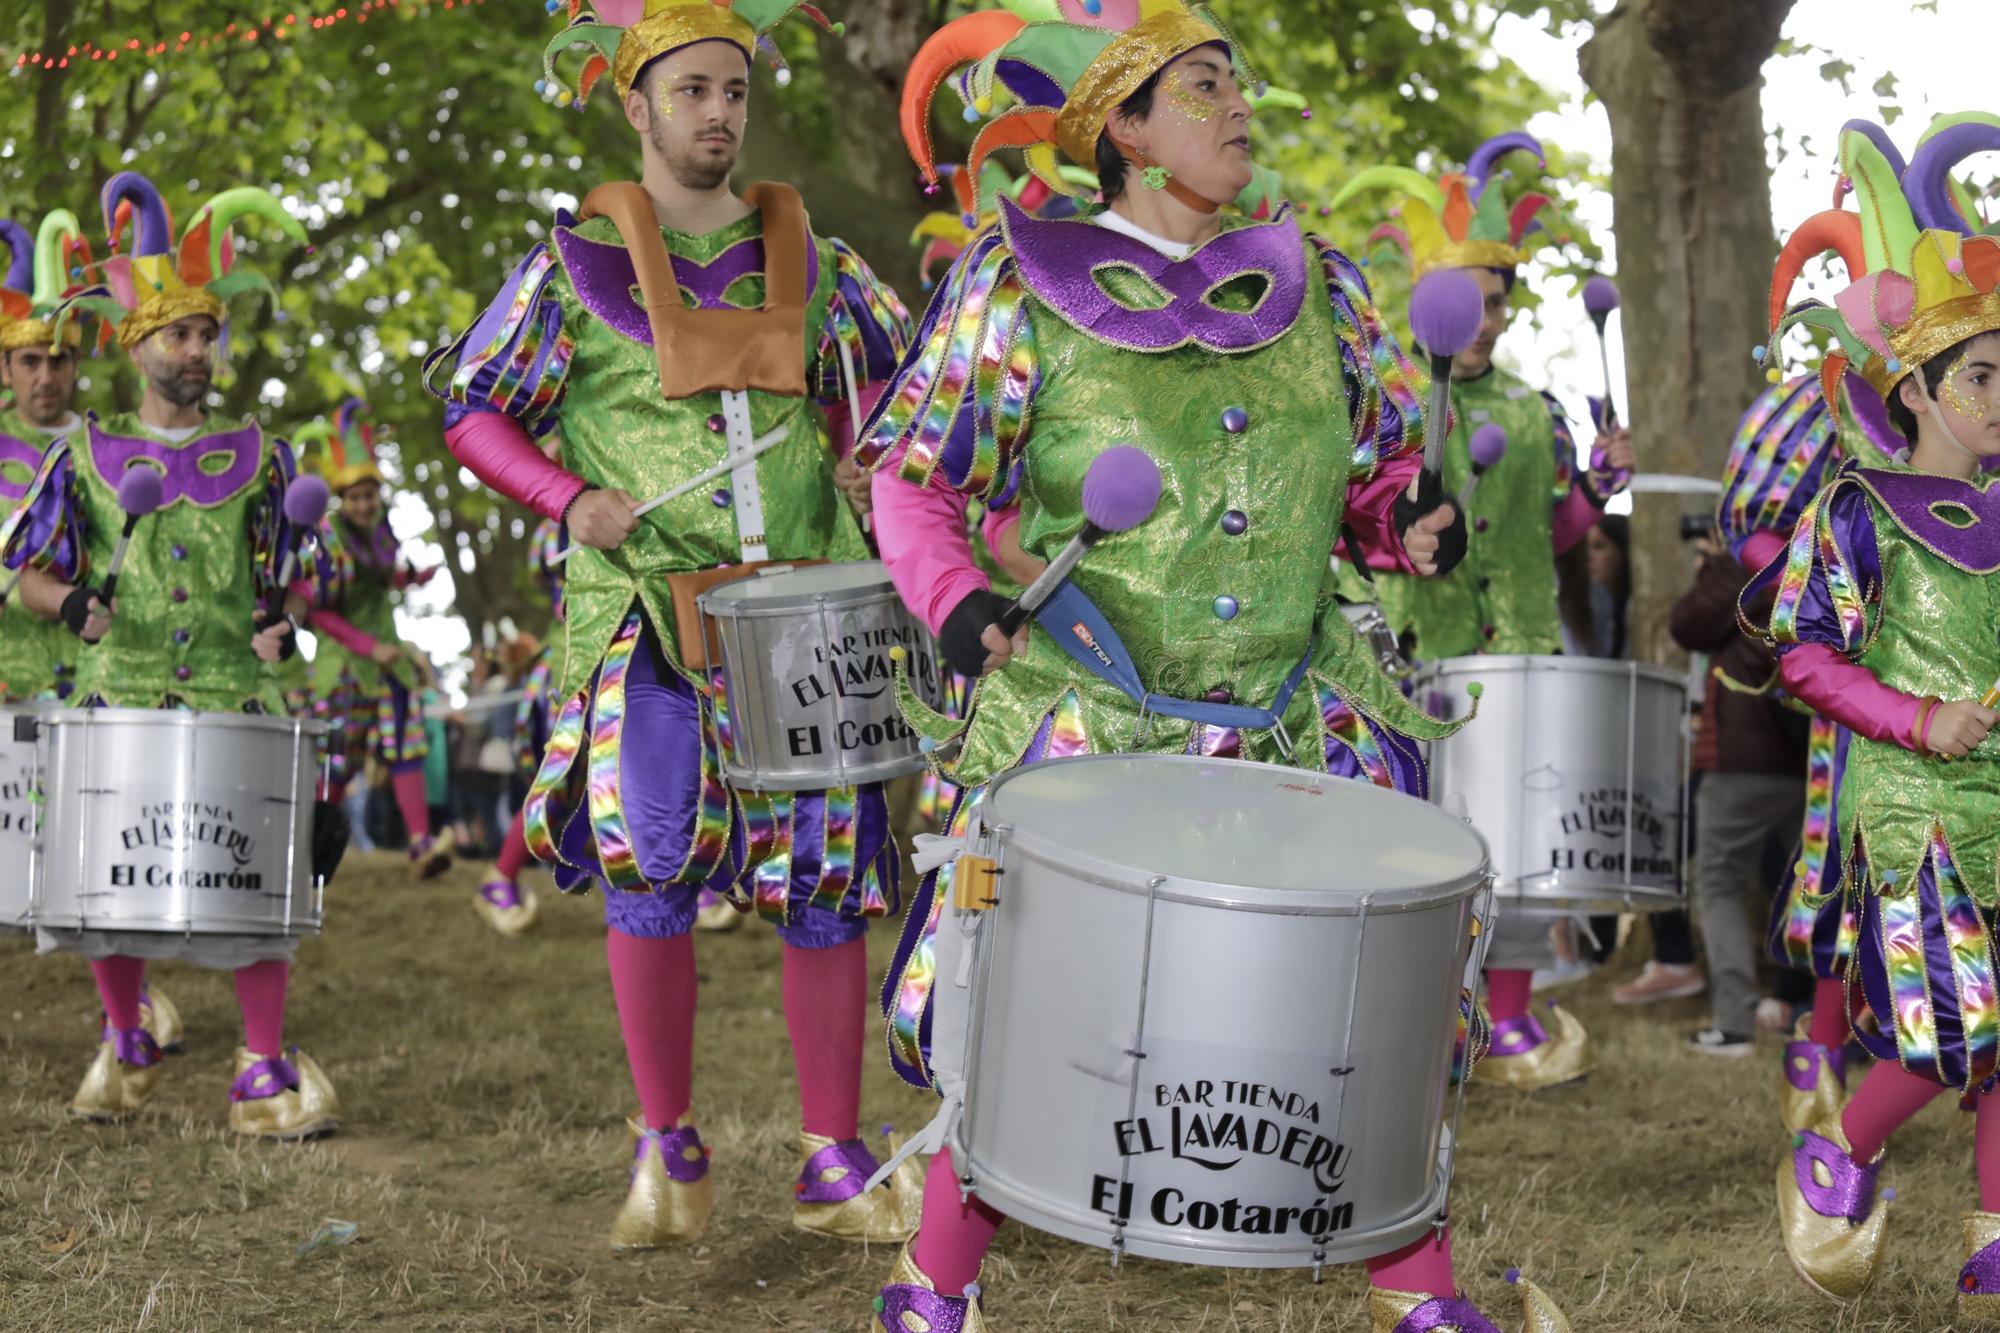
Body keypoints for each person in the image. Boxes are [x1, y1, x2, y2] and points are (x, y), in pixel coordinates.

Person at [859, 7, 1569, 1331]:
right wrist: (955, 600)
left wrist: (1406, 516)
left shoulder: (1322, 283)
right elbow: (915, 477)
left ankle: (1418, 1291)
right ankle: (936, 1285)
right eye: (1203, 89)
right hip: (1092, 720)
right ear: (1124, 129)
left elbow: (1372, 481)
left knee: (1345, 1016)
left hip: (1291, 714)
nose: (1239, 110)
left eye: (1240, 87)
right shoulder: (1020, 285)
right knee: (1046, 1019)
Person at [423, 0, 921, 1250]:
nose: (716, 114)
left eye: (732, 92)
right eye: (690, 91)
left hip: (805, 614)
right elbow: (476, 410)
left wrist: (866, 465)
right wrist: (568, 495)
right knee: (649, 859)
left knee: (825, 879)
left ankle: (831, 1153)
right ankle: (668, 1145)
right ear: (636, 107)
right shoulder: (567, 271)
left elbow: (896, 399)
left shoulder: (822, 264)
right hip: (648, 615)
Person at [2, 171, 338, 1138]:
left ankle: (261, 1069)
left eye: (206, 335)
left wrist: (289, 624)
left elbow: (298, 580)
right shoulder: (86, 458)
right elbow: (28, 570)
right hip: (124, 690)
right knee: (109, 876)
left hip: (239, 686)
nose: (199, 351)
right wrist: (72, 606)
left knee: (258, 884)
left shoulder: (263, 457)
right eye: (179, 336)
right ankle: (125, 1040)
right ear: (137, 344)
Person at [1750, 113, 2000, 1305]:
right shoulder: (1855, 507)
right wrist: (1914, 718)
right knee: (1955, 1032)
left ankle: (1992, 1242)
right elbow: (1799, 654)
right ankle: (1834, 1151)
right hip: (1911, 811)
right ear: (1914, 383)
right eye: (1981, 376)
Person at [1332, 137, 1636, 1094]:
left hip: (1522, 655)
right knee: (1412, 850)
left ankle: (1503, 1020)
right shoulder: (1384, 398)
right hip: (1412, 661)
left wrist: (1596, 485)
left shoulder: (1535, 408)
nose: (1482, 320)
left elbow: (1553, 532)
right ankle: (1405, 1026)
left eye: (1497, 301)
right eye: (1464, 300)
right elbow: (1356, 519)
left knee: (1508, 844)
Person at [0, 207, 188, 1049]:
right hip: (9, 674)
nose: (47, 373)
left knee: (99, 838)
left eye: (61, 357)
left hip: (97, 670)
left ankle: (130, 1006)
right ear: (6, 368)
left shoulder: (107, 448)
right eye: (29, 359)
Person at [292, 399, 452, 877]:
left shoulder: (383, 533)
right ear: (343, 498)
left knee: (405, 743)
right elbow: (318, 610)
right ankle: (310, 848)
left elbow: (382, 580)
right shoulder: (329, 539)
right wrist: (368, 647)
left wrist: (414, 578)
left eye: (370, 496)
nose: (364, 505)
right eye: (356, 498)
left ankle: (422, 843)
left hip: (388, 657)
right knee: (341, 758)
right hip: (344, 663)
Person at [1669, 514, 1807, 1054]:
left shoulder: (1749, 563)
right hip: (1807, 757)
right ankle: (1820, 1013)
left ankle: (1733, 1023)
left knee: (1721, 883)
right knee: (1809, 888)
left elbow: (1689, 625)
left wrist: (1722, 563)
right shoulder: (1820, 557)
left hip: (1741, 761)